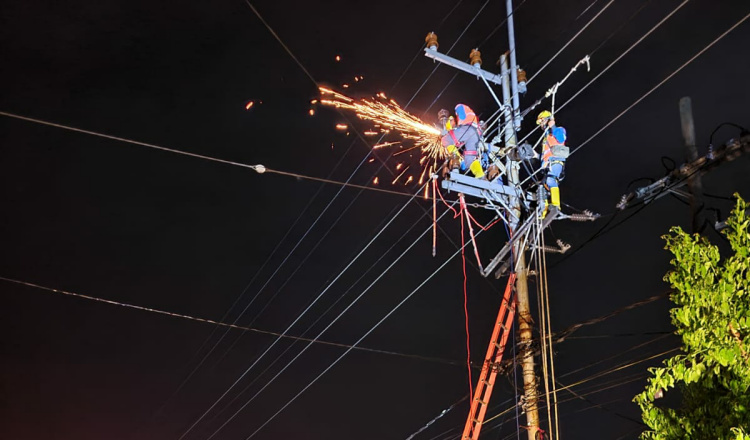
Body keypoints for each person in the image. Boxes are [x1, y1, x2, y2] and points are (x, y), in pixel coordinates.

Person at [440, 104, 485, 179]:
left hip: (468, 129)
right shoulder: (471, 114)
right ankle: (480, 175)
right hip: (475, 134)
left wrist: (450, 130)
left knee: (446, 139)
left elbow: (462, 118)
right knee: (470, 159)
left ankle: (458, 161)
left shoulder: (459, 106)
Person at [536, 110, 568, 210]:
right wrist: (535, 155)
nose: (541, 124)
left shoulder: (558, 130)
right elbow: (545, 155)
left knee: (551, 180)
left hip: (555, 161)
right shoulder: (546, 138)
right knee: (543, 187)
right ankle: (543, 212)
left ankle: (556, 205)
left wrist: (553, 127)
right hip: (547, 164)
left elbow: (561, 139)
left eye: (542, 121)